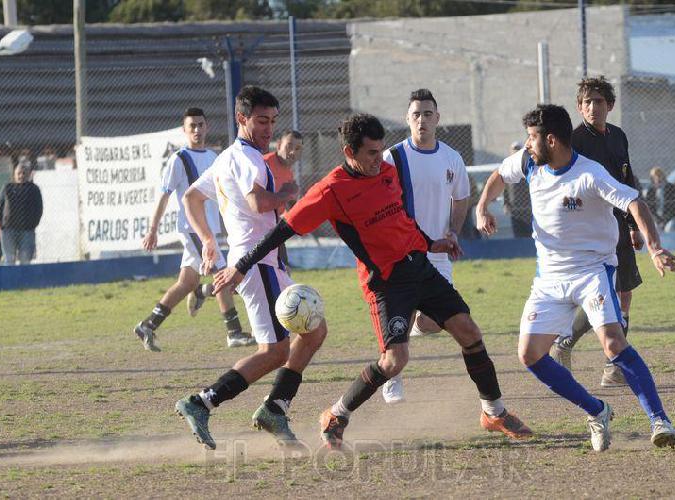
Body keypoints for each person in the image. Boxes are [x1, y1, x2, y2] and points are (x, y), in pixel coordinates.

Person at [214, 113, 533, 451]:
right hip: (387, 283)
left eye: (381, 151)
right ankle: (336, 415)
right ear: (350, 152)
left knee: (469, 332)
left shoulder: (386, 171)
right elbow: (283, 230)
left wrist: (430, 243)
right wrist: (242, 266)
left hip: (420, 267)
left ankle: (493, 412)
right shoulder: (329, 191)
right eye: (371, 153)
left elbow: (401, 219)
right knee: (394, 362)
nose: (379, 159)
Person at [475, 103, 675, 451]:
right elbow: (499, 175)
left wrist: (654, 248)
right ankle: (597, 410)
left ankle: (660, 421)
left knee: (614, 344)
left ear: (552, 140)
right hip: (549, 279)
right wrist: (482, 206)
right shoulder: (529, 163)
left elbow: (635, 203)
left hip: (592, 272)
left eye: (531, 138)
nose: (527, 145)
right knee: (529, 355)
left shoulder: (590, 174)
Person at [173, 86, 326, 450]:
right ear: (242, 119)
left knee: (314, 333)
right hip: (256, 263)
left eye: (272, 121)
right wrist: (289, 196)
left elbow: (192, 197)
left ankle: (275, 406)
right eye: (261, 121)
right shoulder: (249, 158)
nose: (268, 128)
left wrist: (210, 240)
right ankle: (201, 402)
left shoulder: (227, 157)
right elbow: (258, 203)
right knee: (274, 351)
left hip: (263, 261)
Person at [133, 107, 256, 352]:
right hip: (193, 230)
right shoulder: (179, 159)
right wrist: (152, 229)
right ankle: (234, 332)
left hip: (209, 230)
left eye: (201, 125)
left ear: (207, 126)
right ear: (184, 130)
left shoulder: (213, 157)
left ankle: (148, 325)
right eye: (192, 126)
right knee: (222, 274)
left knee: (187, 282)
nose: (197, 130)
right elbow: (164, 195)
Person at [377, 89, 471, 404]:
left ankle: (419, 322)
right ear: (408, 119)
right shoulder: (393, 157)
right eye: (416, 115)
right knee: (396, 325)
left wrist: (454, 232)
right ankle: (392, 381)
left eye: (428, 114)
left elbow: (461, 198)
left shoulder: (451, 158)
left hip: (439, 252)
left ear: (437, 119)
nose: (422, 121)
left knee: (435, 322)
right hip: (402, 254)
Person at [551, 76, 643, 388]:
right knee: (599, 296)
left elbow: (627, 182)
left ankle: (612, 366)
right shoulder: (574, 141)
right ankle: (565, 343)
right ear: (579, 107)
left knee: (625, 293)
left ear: (610, 105)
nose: (593, 107)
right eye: (587, 102)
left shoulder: (618, 136)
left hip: (618, 224)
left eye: (599, 101)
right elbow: (560, 185)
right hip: (589, 228)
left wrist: (633, 226)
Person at [263, 130, 304, 266]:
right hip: (256, 228)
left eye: (297, 149)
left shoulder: (289, 173)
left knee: (283, 269)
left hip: (273, 228)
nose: (292, 152)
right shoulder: (264, 164)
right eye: (289, 146)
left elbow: (285, 207)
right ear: (279, 144)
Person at [0, 162, 43, 265]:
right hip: (8, 230)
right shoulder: (7, 187)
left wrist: (33, 224)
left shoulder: (34, 189)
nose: (21, 175)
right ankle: (9, 281)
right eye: (19, 173)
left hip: (27, 230)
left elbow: (39, 208)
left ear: (29, 174)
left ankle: (25, 281)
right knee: (9, 259)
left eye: (24, 173)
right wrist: (1, 224)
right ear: (14, 174)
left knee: (25, 259)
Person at [504, 141, 534, 238]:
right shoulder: (507, 169)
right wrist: (506, 204)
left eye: (518, 150)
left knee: (530, 235)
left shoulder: (529, 167)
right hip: (515, 210)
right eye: (514, 150)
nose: (516, 152)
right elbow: (505, 190)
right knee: (518, 235)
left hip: (528, 209)